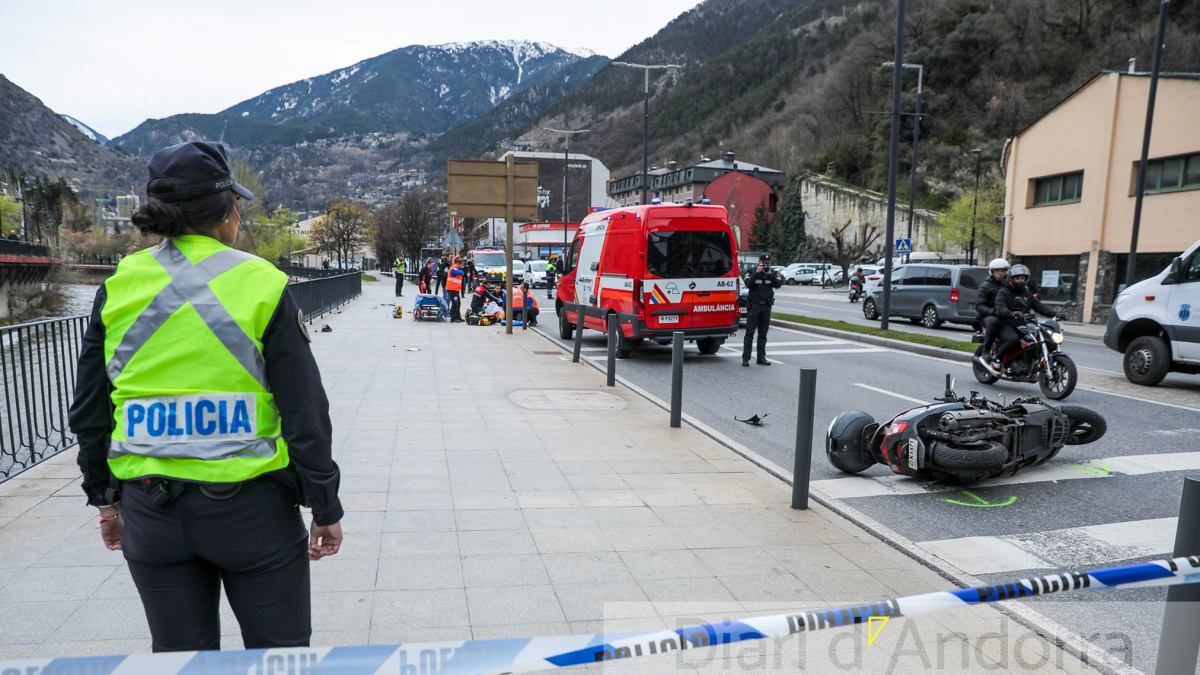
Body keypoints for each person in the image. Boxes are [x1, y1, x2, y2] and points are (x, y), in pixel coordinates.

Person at [67, 141, 343, 653]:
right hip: (254, 514)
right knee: (279, 657)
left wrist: (105, 500)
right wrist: (325, 505)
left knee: (179, 662)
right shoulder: (259, 282)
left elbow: (90, 409)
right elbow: (305, 412)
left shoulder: (119, 286)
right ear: (229, 211)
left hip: (153, 512)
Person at [990, 263, 1055, 374]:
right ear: (1012, 278)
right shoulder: (1003, 292)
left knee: (1035, 341)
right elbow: (1000, 308)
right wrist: (1012, 313)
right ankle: (996, 359)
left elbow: (1040, 307)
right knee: (1014, 339)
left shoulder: (1026, 293)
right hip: (1006, 323)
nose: (1020, 280)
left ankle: (1027, 362)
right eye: (1018, 278)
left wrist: (1055, 314)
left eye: (1022, 278)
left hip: (1023, 324)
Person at [742, 253, 783, 366]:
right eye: (764, 263)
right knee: (750, 332)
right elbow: (748, 284)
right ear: (759, 262)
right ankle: (746, 357)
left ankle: (761, 357)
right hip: (754, 306)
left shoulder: (773, 272)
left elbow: (778, 285)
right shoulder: (751, 271)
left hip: (766, 306)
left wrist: (770, 275)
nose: (766, 265)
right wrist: (757, 272)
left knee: (763, 333)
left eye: (768, 263)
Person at [971, 258, 1010, 373]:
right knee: (994, 321)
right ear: (992, 272)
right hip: (987, 316)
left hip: (1004, 315)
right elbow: (979, 305)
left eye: (1002, 271)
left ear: (1005, 272)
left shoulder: (1009, 285)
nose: (999, 273)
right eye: (997, 271)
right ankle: (986, 349)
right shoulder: (985, 286)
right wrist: (993, 312)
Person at [446, 256, 466, 322]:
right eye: (460, 265)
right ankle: (453, 318)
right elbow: (462, 273)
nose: (461, 266)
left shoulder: (455, 269)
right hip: (452, 289)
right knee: (455, 303)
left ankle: (458, 317)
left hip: (455, 289)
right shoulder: (453, 269)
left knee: (458, 303)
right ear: (457, 263)